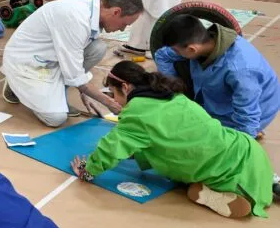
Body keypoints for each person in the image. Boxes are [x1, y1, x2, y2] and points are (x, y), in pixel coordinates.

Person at [71, 61, 274, 218]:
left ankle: (224, 192)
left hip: (220, 168)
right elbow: (170, 137)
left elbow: (111, 148)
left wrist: (87, 171)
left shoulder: (136, 113)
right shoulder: (173, 96)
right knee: (259, 178)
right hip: (245, 148)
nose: (114, 100)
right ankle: (272, 184)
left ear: (124, 87)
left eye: (113, 93)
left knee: (201, 175)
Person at [1, 0, 144, 127]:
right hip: (26, 63)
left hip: (53, 58)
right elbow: (74, 73)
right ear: (116, 12)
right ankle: (14, 84)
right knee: (56, 118)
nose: (122, 30)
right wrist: (108, 102)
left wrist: (84, 91)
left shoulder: (93, 13)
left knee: (98, 48)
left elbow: (74, 62)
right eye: (124, 24)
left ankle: (56, 94)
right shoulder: (76, 18)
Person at [156, 15, 280, 139]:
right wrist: (175, 90)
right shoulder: (205, 40)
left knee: (185, 136)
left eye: (176, 51)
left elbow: (248, 118)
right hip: (223, 100)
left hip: (257, 109)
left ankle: (251, 129)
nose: (175, 53)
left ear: (192, 49)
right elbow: (162, 55)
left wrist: (242, 142)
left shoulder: (239, 70)